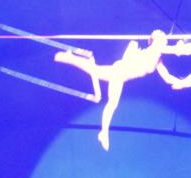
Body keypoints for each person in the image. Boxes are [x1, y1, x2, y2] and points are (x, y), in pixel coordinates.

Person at [54, 30, 182, 151]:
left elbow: (167, 77)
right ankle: (68, 57)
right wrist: (185, 46)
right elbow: (176, 50)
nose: (161, 34)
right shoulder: (155, 49)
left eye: (161, 34)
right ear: (155, 40)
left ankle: (103, 132)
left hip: (120, 77)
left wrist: (182, 82)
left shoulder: (158, 58)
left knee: (111, 102)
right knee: (95, 72)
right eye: (158, 34)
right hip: (119, 71)